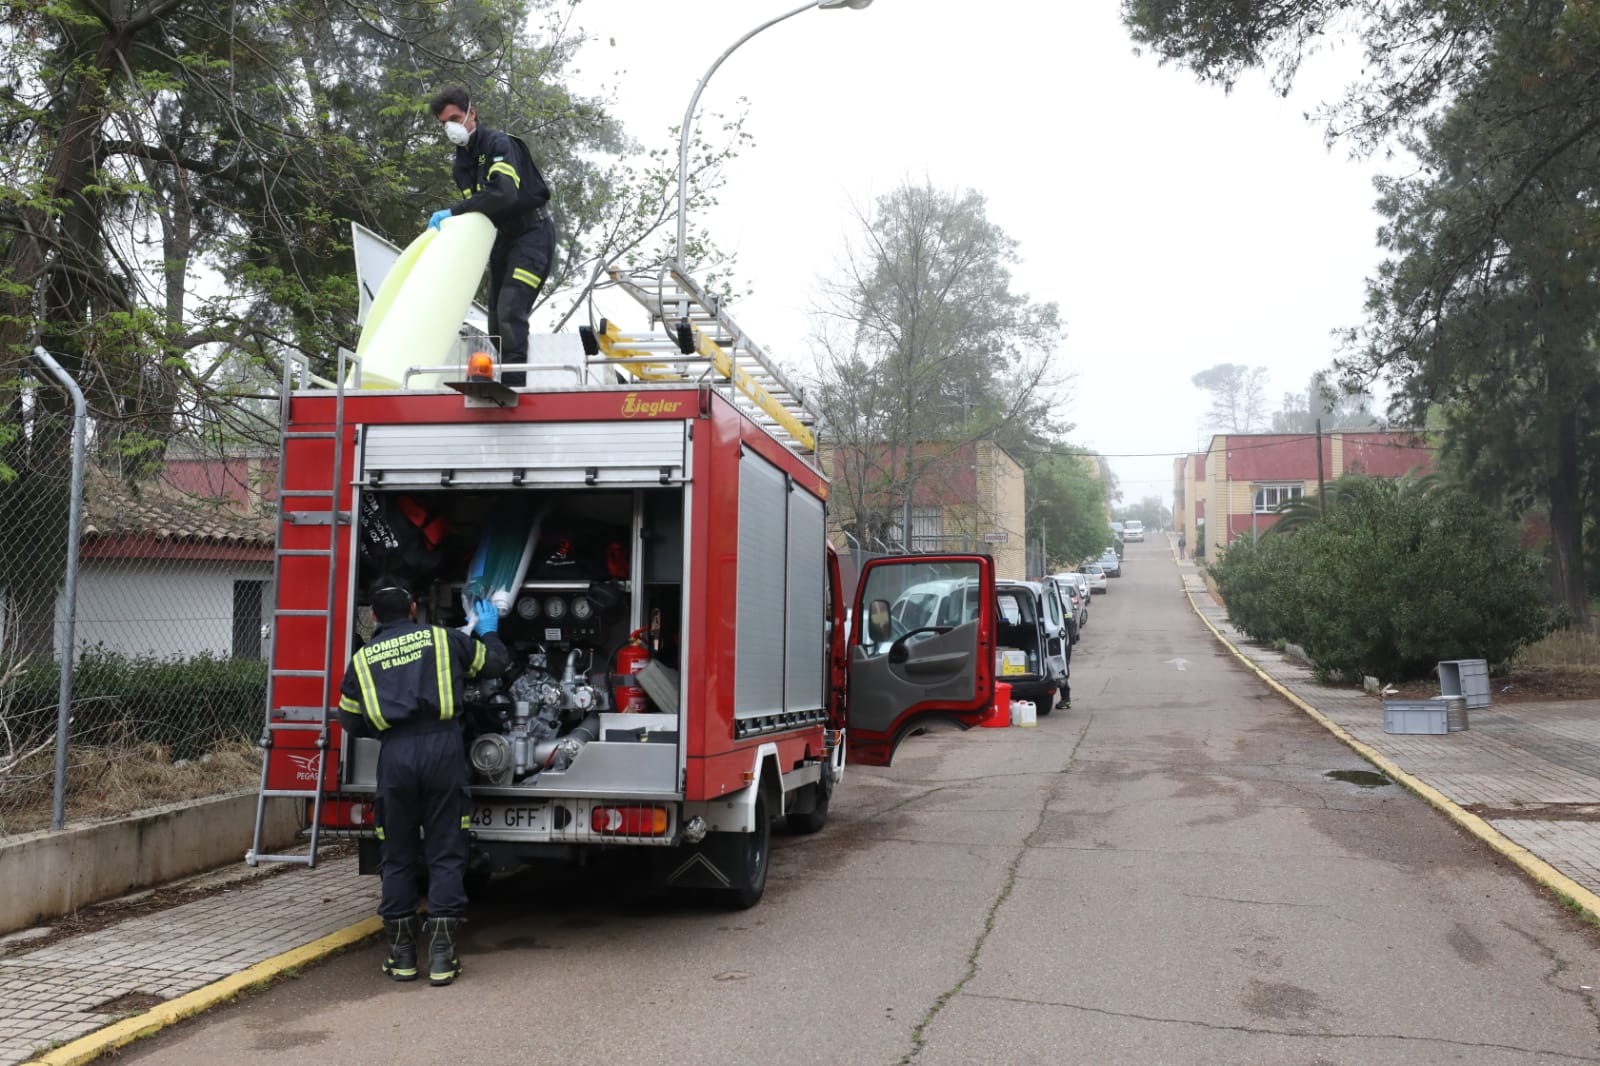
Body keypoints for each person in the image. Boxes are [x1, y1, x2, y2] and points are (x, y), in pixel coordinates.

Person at [337, 576, 509, 986]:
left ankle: (401, 958)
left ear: (374, 617)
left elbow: (348, 718)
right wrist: (488, 632)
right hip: (443, 751)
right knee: (445, 851)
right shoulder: (443, 639)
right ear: (413, 608)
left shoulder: (362, 660)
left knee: (396, 855)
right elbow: (496, 665)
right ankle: (443, 958)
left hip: (395, 755)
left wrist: (387, 730)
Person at [427, 85, 555, 388]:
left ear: (472, 113)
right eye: (445, 123)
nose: (451, 128)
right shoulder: (461, 164)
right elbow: (479, 214)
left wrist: (454, 211)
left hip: (532, 235)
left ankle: (514, 387)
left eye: (456, 118)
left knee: (511, 310)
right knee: (496, 323)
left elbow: (504, 195)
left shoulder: (499, 144)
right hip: (502, 240)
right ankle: (506, 380)